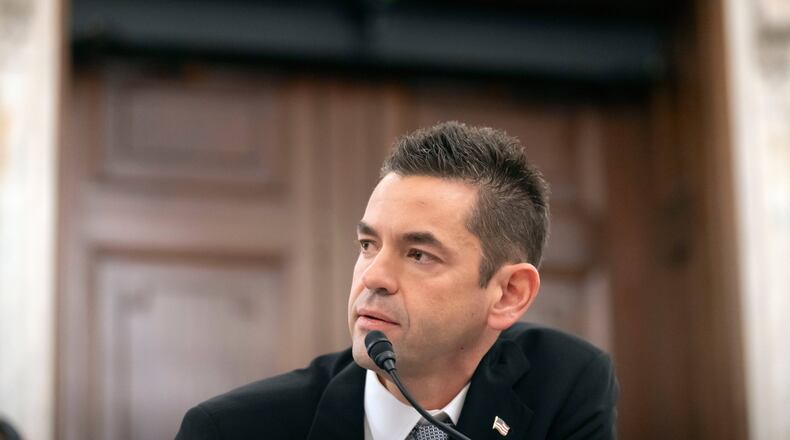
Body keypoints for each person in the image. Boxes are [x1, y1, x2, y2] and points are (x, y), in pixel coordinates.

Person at [176, 121, 618, 440]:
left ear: (508, 294)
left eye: (419, 254)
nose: (374, 276)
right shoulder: (229, 430)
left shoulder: (565, 382)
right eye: (368, 245)